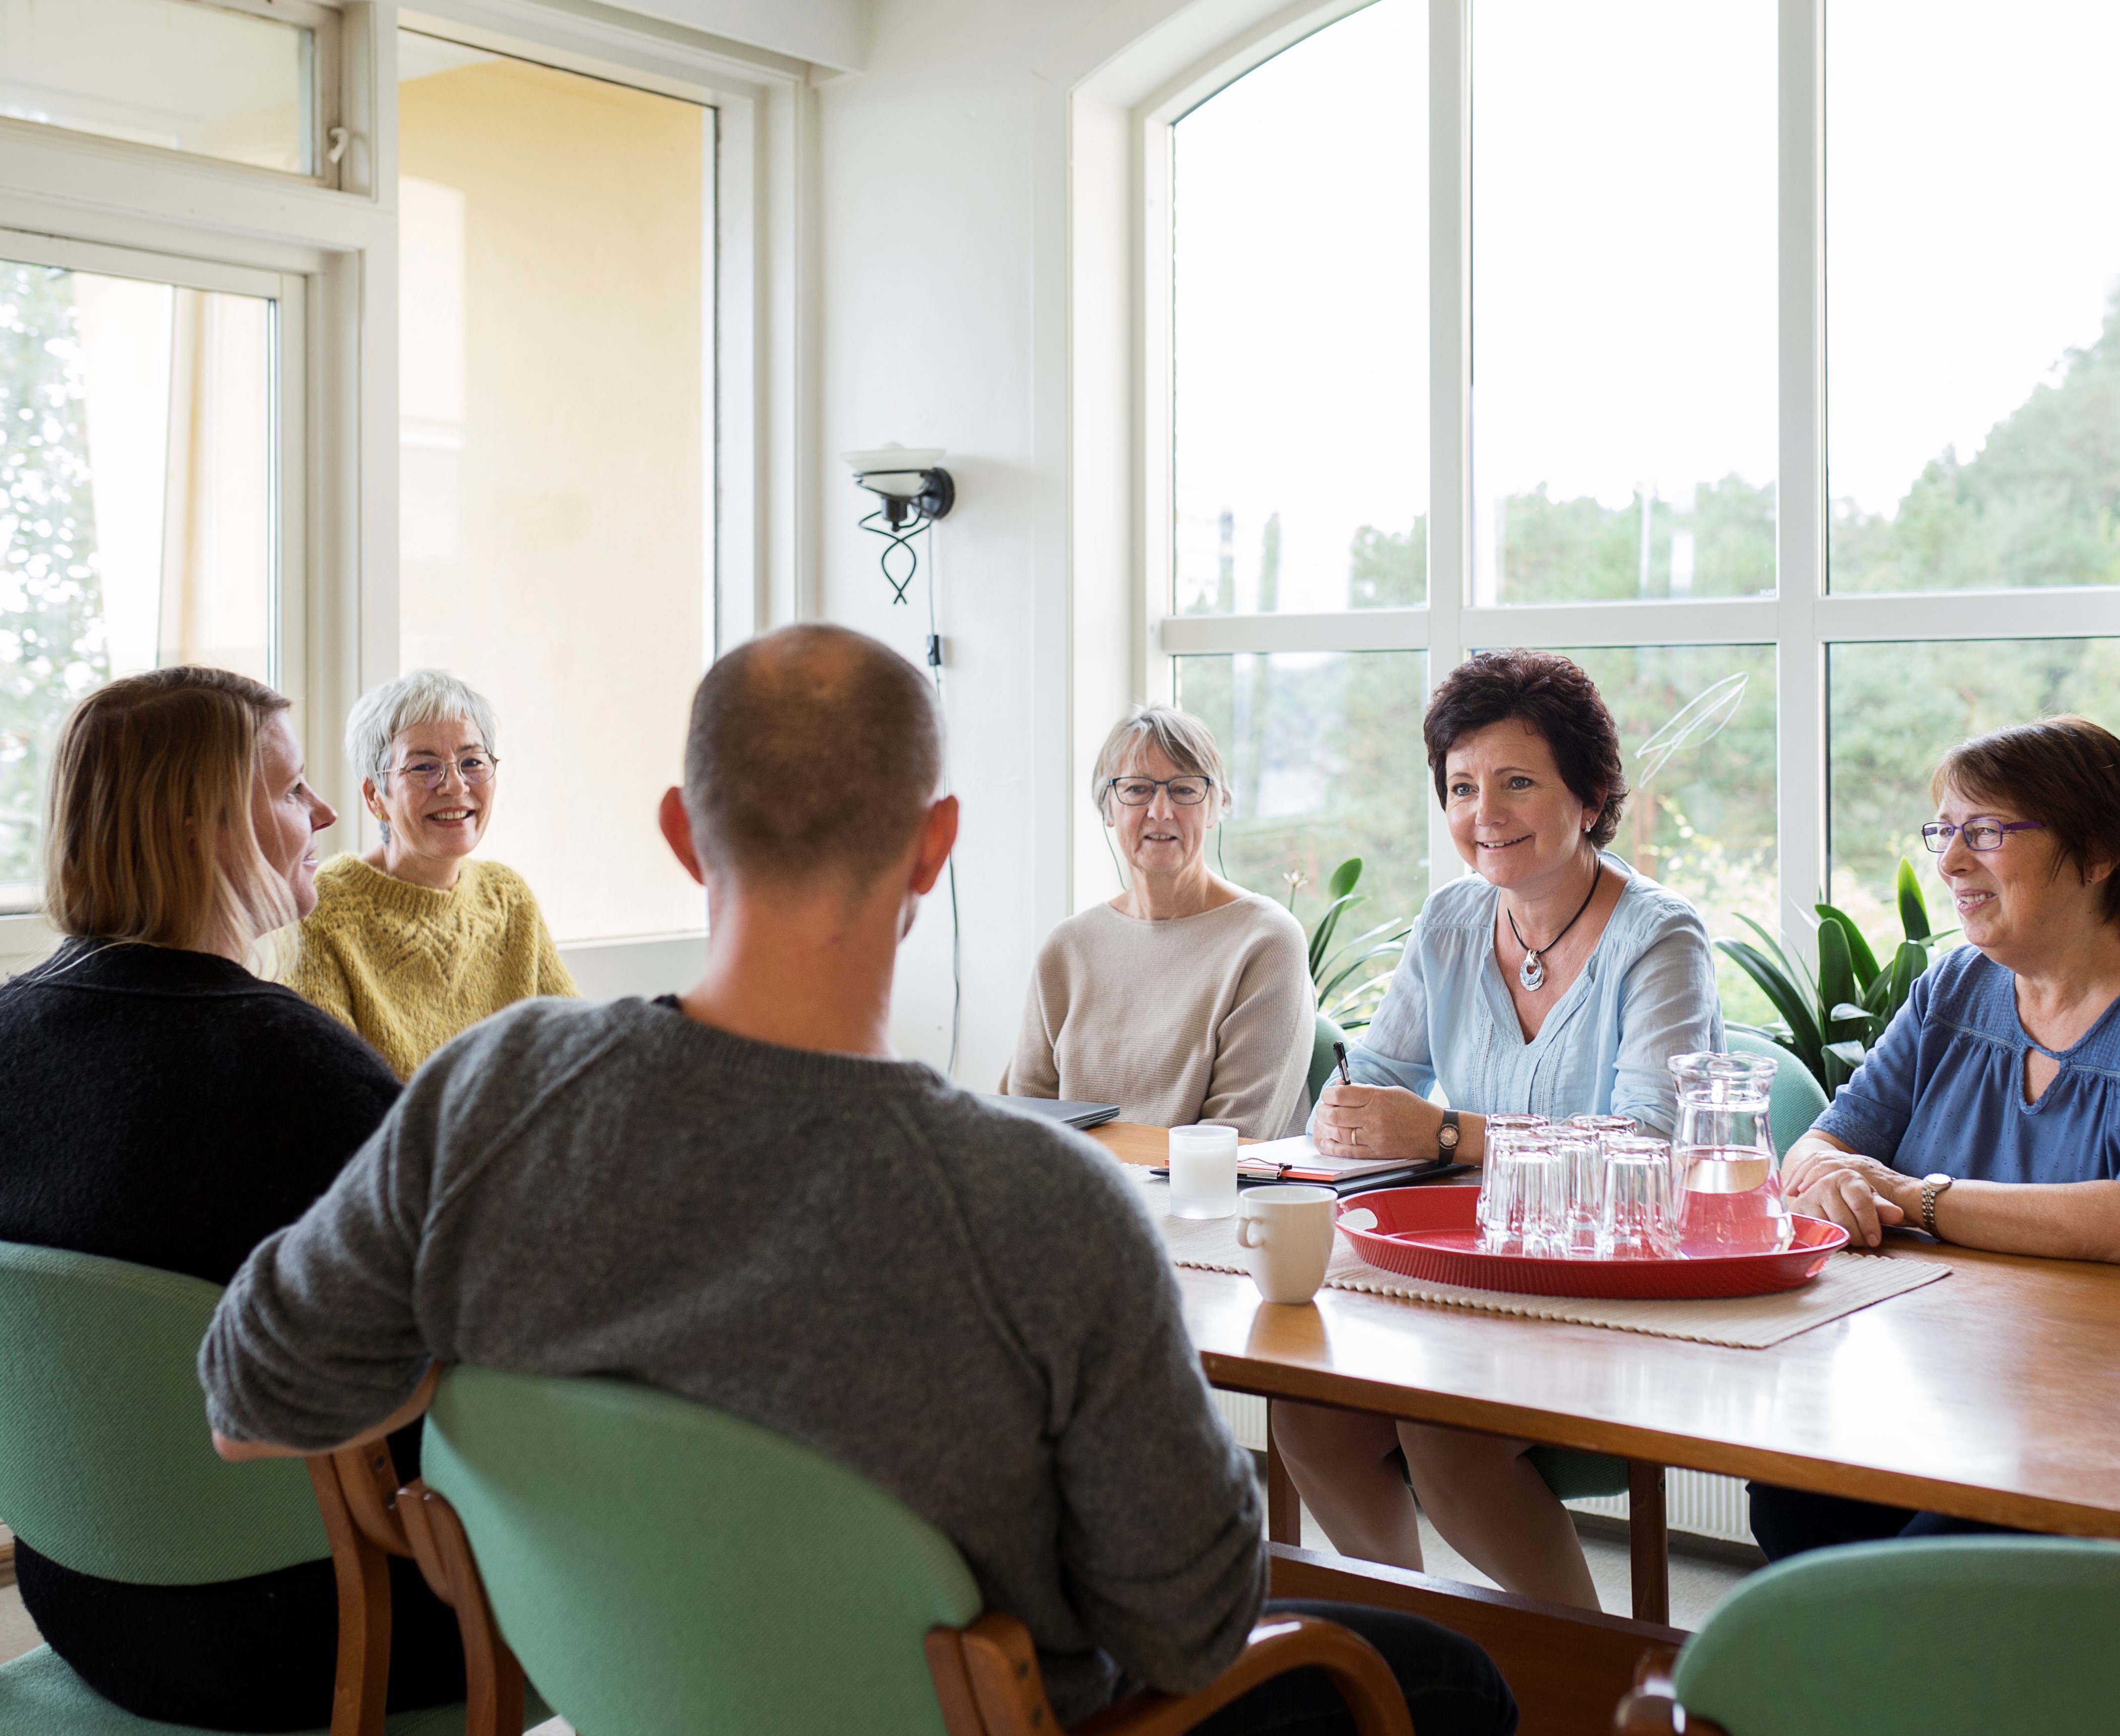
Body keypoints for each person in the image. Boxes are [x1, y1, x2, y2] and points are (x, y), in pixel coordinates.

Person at [199, 624, 1517, 1736]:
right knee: (1451, 1673)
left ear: (682, 835)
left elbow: (251, 1396)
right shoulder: (1044, 1206)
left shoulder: (492, 1092)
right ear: (933, 847)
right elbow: (1190, 1621)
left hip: (628, 1697)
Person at [0, 665, 464, 1729]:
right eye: (294, 788)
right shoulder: (298, 1071)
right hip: (342, 1625)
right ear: (199, 821)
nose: (326, 813)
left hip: (88, 1605)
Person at [1752, 715, 2120, 1560]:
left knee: (1946, 1551)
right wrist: (1828, 1177)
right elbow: (1820, 1147)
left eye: (1985, 832)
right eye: (1944, 831)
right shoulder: (1956, 987)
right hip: (1995, 1381)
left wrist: (1914, 1200)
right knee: (1794, 1497)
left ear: (2097, 853)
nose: (1948, 862)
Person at [1272, 650, 1722, 1609]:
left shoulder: (1660, 937)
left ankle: (1586, 1677)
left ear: (1592, 794)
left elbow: (1651, 1148)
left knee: (1447, 1430)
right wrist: (1351, 1116)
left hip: (1613, 1281)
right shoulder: (1447, 921)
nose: (1486, 814)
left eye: (1518, 782)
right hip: (1463, 1272)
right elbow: (1373, 1085)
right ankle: (1407, 1649)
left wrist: (1445, 1137)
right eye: (1462, 787)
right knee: (1308, 1411)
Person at [1006, 704, 1312, 1137]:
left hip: (1208, 1202)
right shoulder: (1067, 947)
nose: (1161, 811)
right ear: (1107, 807)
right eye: (1137, 789)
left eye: (1185, 790)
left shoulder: (1266, 940)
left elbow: (1237, 1140)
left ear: (1217, 806)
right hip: (1071, 1199)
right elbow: (1024, 1125)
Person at [289, 668, 576, 1079]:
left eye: (472, 761)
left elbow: (579, 1053)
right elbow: (336, 1097)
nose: (455, 786)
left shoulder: (508, 898)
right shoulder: (322, 912)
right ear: (375, 796)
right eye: (424, 768)